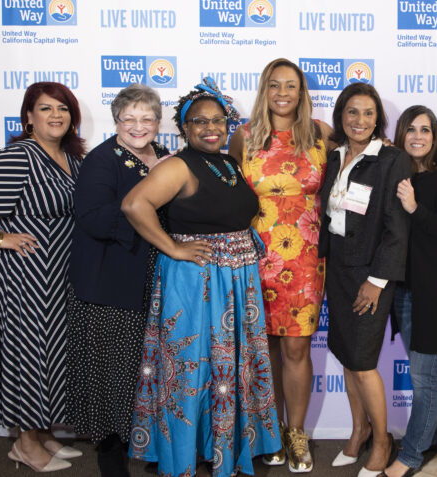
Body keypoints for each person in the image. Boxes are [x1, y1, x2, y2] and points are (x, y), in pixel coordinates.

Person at [123, 78, 281, 477]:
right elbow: (134, 204)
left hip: (235, 283)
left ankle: (221, 448)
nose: (211, 128)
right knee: (193, 366)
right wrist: (173, 247)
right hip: (197, 281)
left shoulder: (228, 162)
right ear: (184, 128)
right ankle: (183, 457)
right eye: (199, 122)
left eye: (218, 121)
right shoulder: (179, 165)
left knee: (227, 370)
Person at [229, 58, 332, 472]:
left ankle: (297, 433)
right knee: (265, 347)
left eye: (291, 85)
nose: (283, 93)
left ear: (302, 91)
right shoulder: (244, 136)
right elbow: (230, 193)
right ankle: (269, 431)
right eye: (275, 85)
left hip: (306, 257)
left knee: (296, 346)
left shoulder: (321, 134)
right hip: (256, 254)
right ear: (264, 90)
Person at [0, 82, 84, 472]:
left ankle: (42, 432)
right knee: (28, 354)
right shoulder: (21, 156)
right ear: (28, 118)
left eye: (63, 108)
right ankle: (23, 443)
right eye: (45, 108)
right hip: (25, 279)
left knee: (53, 354)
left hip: (60, 277)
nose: (56, 115)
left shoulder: (71, 158)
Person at [66, 84, 170, 476]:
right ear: (116, 121)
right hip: (109, 281)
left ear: (158, 123)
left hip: (150, 277)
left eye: (147, 118)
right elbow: (92, 216)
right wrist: (142, 214)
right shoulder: (102, 159)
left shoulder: (162, 156)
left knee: (145, 369)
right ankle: (112, 453)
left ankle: (146, 445)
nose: (138, 126)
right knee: (113, 373)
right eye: (129, 118)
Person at [319, 82, 409, 477]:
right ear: (341, 115)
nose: (360, 120)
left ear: (378, 119)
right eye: (352, 112)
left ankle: (383, 439)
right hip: (336, 268)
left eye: (368, 113)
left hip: (370, 274)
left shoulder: (391, 160)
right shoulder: (333, 156)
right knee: (345, 354)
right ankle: (358, 431)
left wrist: (377, 280)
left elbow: (397, 230)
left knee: (364, 361)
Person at [381, 106, 437, 477]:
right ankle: (435, 436)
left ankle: (411, 454)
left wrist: (415, 208)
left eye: (426, 130)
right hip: (404, 292)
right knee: (428, 375)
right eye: (411, 129)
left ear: (435, 138)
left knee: (424, 378)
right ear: (400, 135)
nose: (418, 136)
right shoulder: (395, 176)